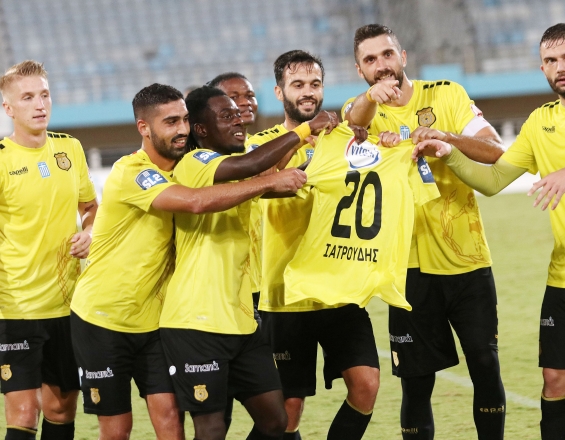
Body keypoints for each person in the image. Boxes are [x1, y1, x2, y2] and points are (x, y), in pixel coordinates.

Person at [69, 83, 307, 440]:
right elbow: (196, 202)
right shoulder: (132, 171)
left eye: (183, 119)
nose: (181, 129)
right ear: (143, 128)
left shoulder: (188, 166)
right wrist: (274, 175)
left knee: (171, 420)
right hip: (103, 318)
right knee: (117, 430)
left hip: (154, 319)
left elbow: (239, 183)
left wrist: (280, 172)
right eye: (170, 122)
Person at [343, 24, 507, 439]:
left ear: (403, 57)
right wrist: (370, 109)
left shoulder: (447, 94)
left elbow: (495, 151)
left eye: (387, 54)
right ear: (360, 70)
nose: (381, 65)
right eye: (370, 59)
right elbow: (352, 122)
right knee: (416, 383)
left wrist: (444, 138)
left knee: (485, 366)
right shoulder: (361, 113)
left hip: (467, 261)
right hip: (407, 271)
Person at [410, 23, 565, 440]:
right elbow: (494, 180)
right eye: (551, 60)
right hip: (562, 277)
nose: (560, 67)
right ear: (542, 68)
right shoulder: (539, 122)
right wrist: (449, 151)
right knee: (555, 380)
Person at [159, 85, 337, 440]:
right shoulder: (195, 162)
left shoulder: (235, 174)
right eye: (226, 116)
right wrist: (305, 129)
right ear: (201, 129)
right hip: (197, 320)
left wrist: (334, 156)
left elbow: (271, 177)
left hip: (241, 321)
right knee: (212, 428)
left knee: (275, 420)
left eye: (238, 115)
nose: (239, 120)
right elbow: (253, 166)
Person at [246, 50, 380, 440]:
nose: (308, 92)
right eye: (298, 84)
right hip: (285, 294)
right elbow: (261, 177)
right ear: (279, 92)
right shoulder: (262, 141)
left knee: (367, 386)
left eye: (315, 84)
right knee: (289, 409)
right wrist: (305, 133)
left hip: (339, 286)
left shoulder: (343, 140)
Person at [0, 60, 98, 440]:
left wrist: (89, 231)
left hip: (68, 305)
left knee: (61, 408)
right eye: (27, 97)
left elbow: (90, 207)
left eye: (44, 95)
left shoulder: (69, 148)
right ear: (8, 108)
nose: (40, 104)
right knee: (24, 412)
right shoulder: (2, 158)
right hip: (15, 308)